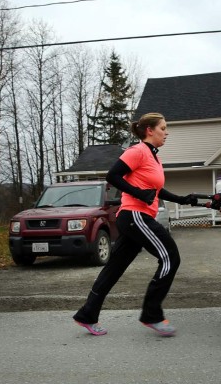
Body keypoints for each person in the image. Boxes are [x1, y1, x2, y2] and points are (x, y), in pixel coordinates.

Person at [73, 112, 197, 337]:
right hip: (135, 215)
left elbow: (156, 191)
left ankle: (86, 315)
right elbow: (113, 176)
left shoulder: (154, 156)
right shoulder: (138, 151)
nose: (166, 133)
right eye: (163, 128)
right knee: (170, 257)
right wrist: (138, 193)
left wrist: (183, 199)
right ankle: (152, 314)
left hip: (134, 217)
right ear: (149, 130)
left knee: (113, 269)